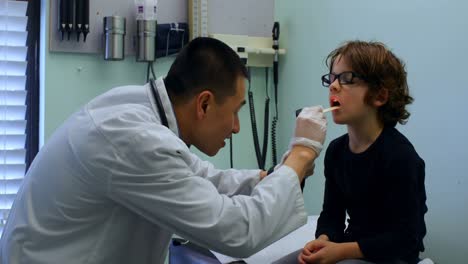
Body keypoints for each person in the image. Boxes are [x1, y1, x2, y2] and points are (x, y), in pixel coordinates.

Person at [1, 37, 328, 264]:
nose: (236, 127)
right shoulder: (132, 138)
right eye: (236, 111)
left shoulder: (136, 108)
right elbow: (237, 230)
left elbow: (201, 177)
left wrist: (269, 177)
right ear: (204, 103)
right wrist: (301, 154)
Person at [298, 41, 427, 264]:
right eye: (332, 78)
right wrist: (324, 239)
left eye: (346, 78)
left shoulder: (401, 158)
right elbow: (332, 213)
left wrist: (342, 251)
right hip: (351, 247)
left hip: (392, 257)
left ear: (379, 96)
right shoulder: (336, 151)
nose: (333, 86)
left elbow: (407, 238)